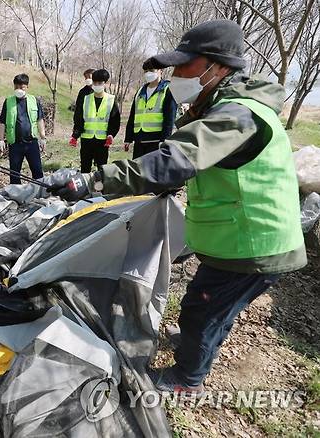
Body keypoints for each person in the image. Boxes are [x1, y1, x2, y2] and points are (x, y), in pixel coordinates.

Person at [49, 20, 306, 395]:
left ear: (217, 67)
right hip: (236, 238)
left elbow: (176, 160)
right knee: (211, 307)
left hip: (254, 245)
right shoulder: (215, 106)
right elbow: (190, 166)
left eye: (186, 64)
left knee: (202, 310)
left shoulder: (237, 116)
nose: (176, 74)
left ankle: (187, 379)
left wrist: (93, 180)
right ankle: (199, 338)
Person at [0, 73, 48, 184]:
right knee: (14, 174)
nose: (19, 89)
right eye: (16, 87)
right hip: (15, 143)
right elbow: (2, 122)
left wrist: (43, 137)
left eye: (22, 87)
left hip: (32, 142)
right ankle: (17, 196)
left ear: (27, 87)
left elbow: (40, 120)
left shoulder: (34, 100)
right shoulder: (8, 101)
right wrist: (1, 139)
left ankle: (39, 194)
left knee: (38, 172)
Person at [71, 69, 120, 172]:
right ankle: (86, 187)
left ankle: (101, 187)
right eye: (95, 82)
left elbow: (115, 120)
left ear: (105, 83)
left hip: (103, 141)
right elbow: (79, 118)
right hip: (86, 140)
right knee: (85, 168)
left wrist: (111, 134)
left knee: (102, 170)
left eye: (100, 83)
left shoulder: (110, 100)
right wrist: (75, 135)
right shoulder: (85, 99)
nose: (97, 85)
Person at [124, 64, 177, 159]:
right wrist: (128, 138)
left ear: (161, 71)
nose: (148, 73)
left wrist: (165, 139)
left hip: (156, 141)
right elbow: (133, 116)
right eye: (146, 71)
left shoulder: (168, 89)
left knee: (153, 172)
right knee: (138, 171)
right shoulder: (140, 91)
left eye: (152, 70)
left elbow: (170, 118)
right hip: (139, 141)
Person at [68, 68, 94, 146]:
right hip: (85, 132)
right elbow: (78, 113)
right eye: (85, 78)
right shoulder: (83, 92)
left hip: (101, 135)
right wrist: (75, 135)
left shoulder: (102, 93)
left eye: (89, 77)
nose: (87, 79)